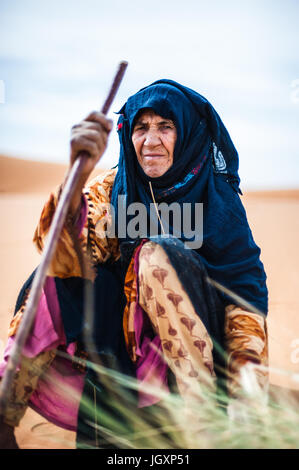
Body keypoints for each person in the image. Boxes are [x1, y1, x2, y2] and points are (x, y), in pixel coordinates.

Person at [0, 79, 269, 449]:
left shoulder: (217, 203)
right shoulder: (114, 187)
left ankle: (206, 428)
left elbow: (244, 298)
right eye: (141, 127)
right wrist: (76, 175)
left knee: (156, 255)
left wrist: (245, 390)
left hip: (197, 367)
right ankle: (4, 413)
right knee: (50, 279)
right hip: (118, 358)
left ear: (187, 133)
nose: (151, 140)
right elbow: (67, 256)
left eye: (166, 127)